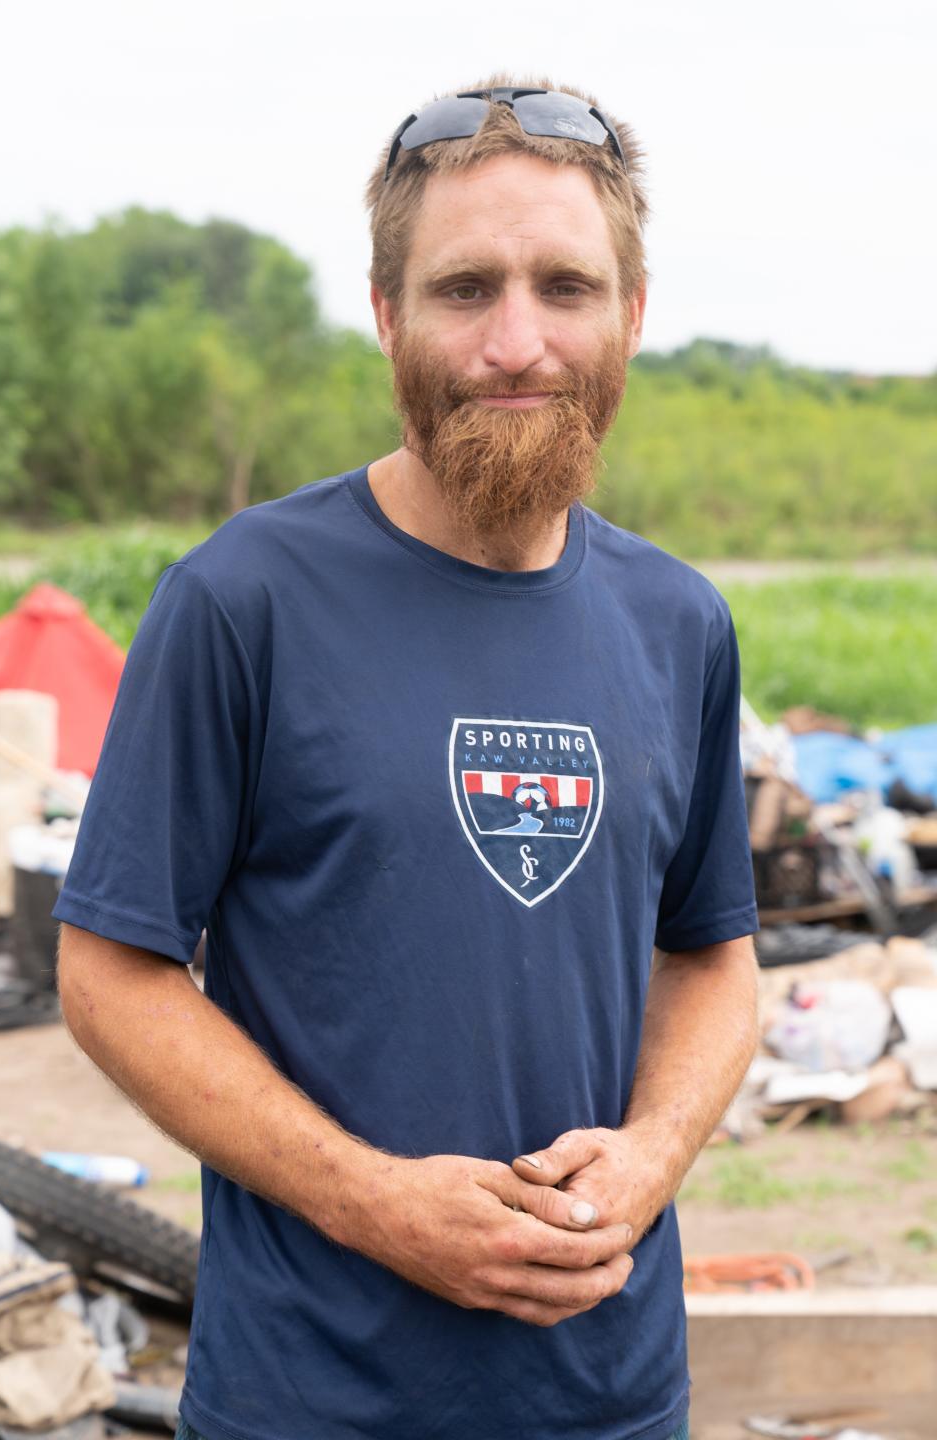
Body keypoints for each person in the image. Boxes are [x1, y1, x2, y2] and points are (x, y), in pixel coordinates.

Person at [55, 72, 759, 1440]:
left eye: (566, 287)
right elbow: (107, 970)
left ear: (633, 316)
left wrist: (656, 1149)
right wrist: (371, 1199)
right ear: (386, 315)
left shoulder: (679, 624)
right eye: (462, 289)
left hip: (611, 1398)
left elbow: (714, 953)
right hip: (314, 1400)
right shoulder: (242, 600)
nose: (517, 342)